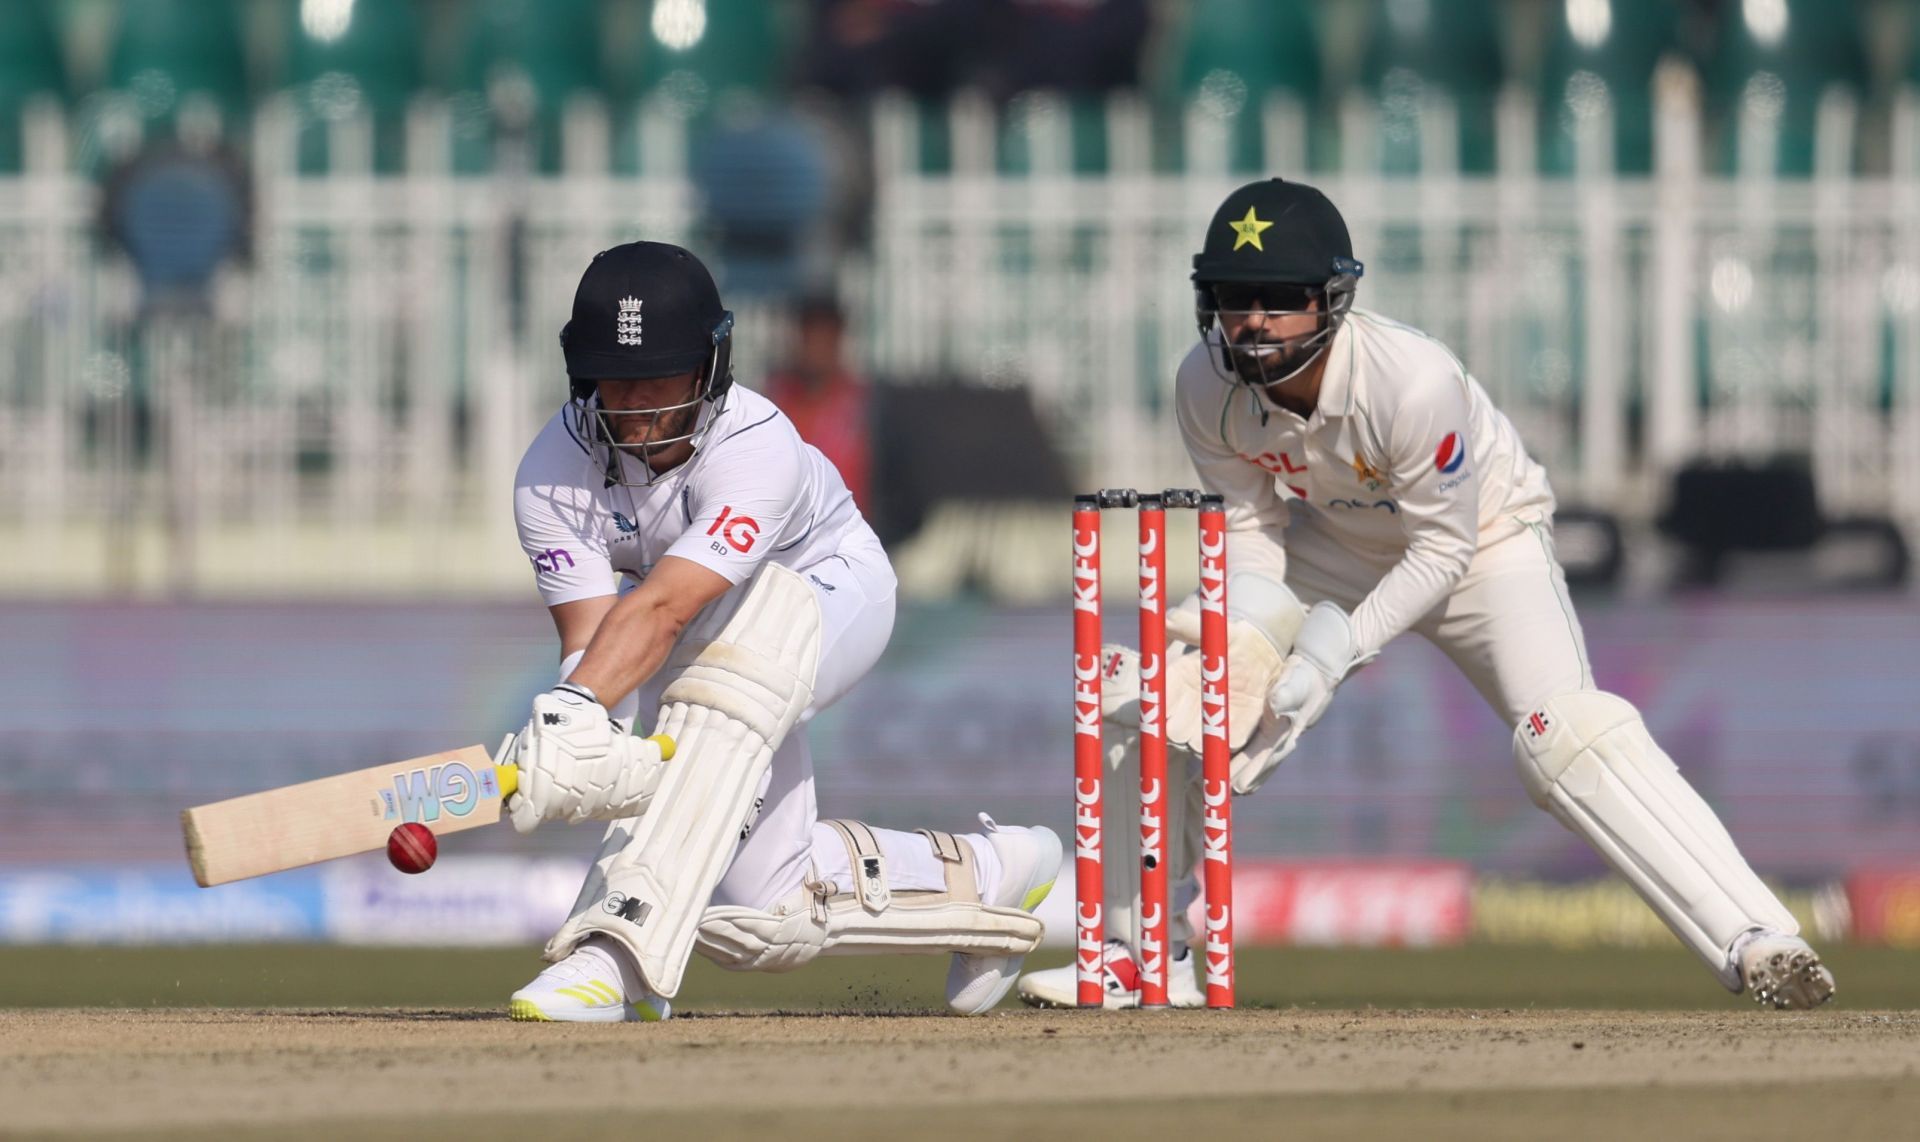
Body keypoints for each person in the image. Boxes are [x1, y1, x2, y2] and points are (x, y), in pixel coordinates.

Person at [1018, 178, 1835, 1011]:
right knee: (1161, 699)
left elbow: (1442, 549)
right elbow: (1253, 531)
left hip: (1485, 547)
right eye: (1234, 298)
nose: (1253, 321)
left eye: (1278, 300)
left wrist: (1328, 656)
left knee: (1568, 737)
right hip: (1333, 546)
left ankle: (1758, 938)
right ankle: (1143, 954)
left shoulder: (1412, 381)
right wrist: (1254, 646)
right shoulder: (1205, 386)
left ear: (1332, 300)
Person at [503, 241, 1059, 1022]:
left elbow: (662, 608)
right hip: (704, 636)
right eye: (614, 378)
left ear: (710, 365)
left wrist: (575, 706)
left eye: (659, 376)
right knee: (764, 912)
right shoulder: (548, 471)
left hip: (831, 591)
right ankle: (991, 877)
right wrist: (576, 737)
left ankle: (612, 957)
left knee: (729, 687)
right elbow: (596, 647)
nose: (635, 404)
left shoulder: (756, 443)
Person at [762, 294, 873, 514]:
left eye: (826, 336)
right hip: (787, 533)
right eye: (810, 335)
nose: (817, 346)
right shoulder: (773, 402)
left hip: (852, 533)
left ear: (839, 338)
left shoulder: (864, 404)